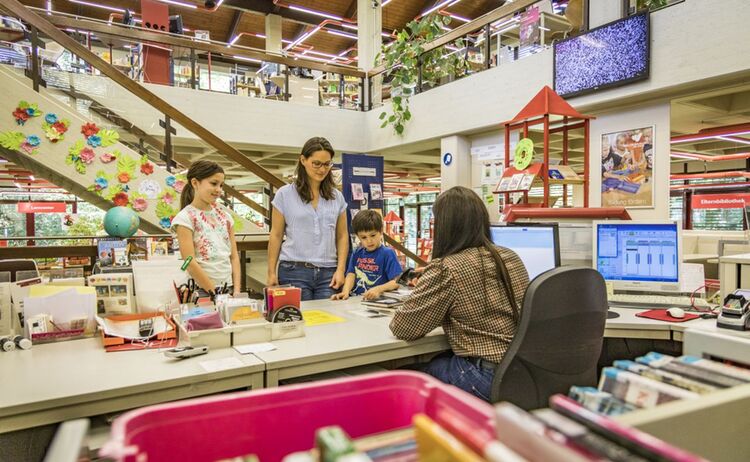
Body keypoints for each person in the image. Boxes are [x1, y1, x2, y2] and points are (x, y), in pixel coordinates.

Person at [390, 186, 529, 402]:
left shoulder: (447, 267)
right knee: (440, 360)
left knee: (401, 376)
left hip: (484, 376)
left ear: (445, 227)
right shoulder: (510, 257)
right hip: (521, 373)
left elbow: (403, 327)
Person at [267, 137, 349, 300]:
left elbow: (342, 236)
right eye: (316, 163)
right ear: (303, 160)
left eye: (327, 164)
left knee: (328, 322)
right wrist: (270, 272)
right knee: (299, 322)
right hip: (293, 270)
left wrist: (340, 269)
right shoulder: (284, 194)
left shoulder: (336, 197)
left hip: (328, 273)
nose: (322, 169)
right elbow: (276, 235)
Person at [171, 160, 241, 297]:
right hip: (201, 291)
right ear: (195, 183)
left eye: (221, 185)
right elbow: (189, 261)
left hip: (229, 289)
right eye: (214, 184)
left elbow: (234, 257)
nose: (219, 190)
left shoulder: (226, 217)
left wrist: (237, 290)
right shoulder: (185, 218)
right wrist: (213, 292)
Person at [331, 210, 402, 301]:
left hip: (378, 301)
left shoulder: (387, 253)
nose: (369, 241)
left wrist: (378, 289)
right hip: (356, 300)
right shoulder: (357, 252)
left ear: (380, 231)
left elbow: (397, 282)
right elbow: (351, 274)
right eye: (364, 237)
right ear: (358, 236)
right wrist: (345, 291)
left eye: (372, 235)